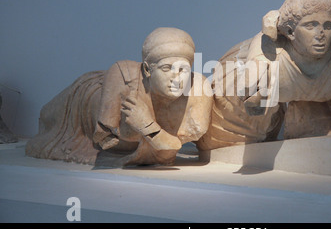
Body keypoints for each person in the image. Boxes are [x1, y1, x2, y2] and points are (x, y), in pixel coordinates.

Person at [196, 0, 331, 151]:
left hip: (282, 114)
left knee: (322, 135)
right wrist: (256, 92)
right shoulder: (267, 52)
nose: (321, 34)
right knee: (239, 141)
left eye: (328, 26)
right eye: (310, 25)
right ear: (291, 32)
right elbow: (251, 98)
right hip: (232, 98)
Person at [26, 27, 213, 166]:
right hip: (86, 101)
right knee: (48, 114)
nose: (177, 78)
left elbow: (169, 151)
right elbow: (105, 140)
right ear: (147, 70)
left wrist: (146, 124)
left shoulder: (199, 89)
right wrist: (154, 138)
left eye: (183, 70)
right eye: (166, 68)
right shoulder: (121, 75)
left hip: (116, 109)